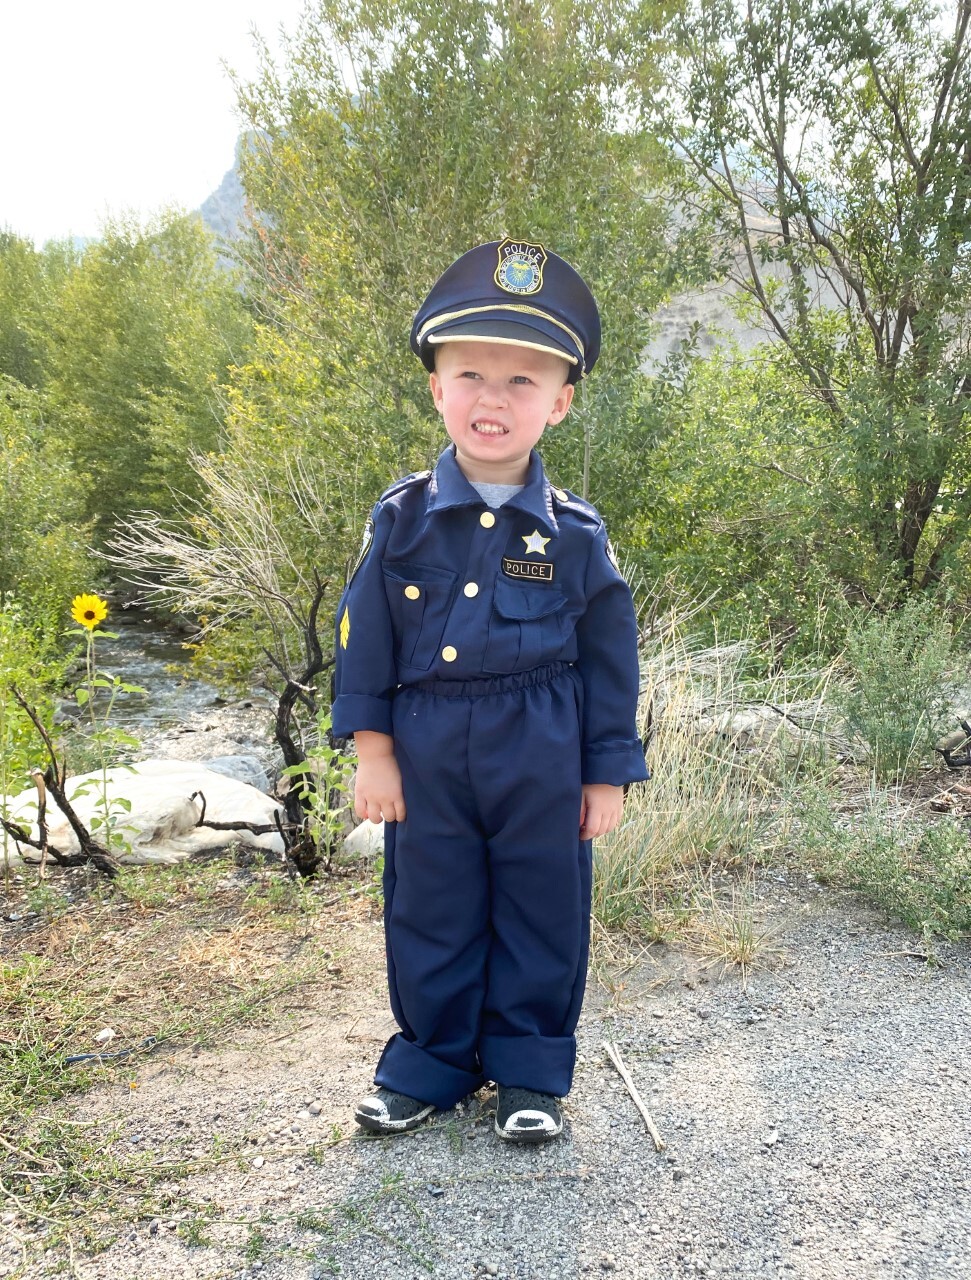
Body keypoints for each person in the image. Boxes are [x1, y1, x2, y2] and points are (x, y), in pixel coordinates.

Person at [332, 239, 648, 1143]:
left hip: (540, 747)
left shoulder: (578, 537)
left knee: (542, 905)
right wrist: (374, 752)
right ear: (437, 389)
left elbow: (608, 664)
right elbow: (366, 641)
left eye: (521, 380)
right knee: (428, 904)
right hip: (427, 748)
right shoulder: (399, 520)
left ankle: (528, 1073)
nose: (492, 398)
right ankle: (429, 1064)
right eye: (470, 373)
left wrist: (603, 775)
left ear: (561, 401)